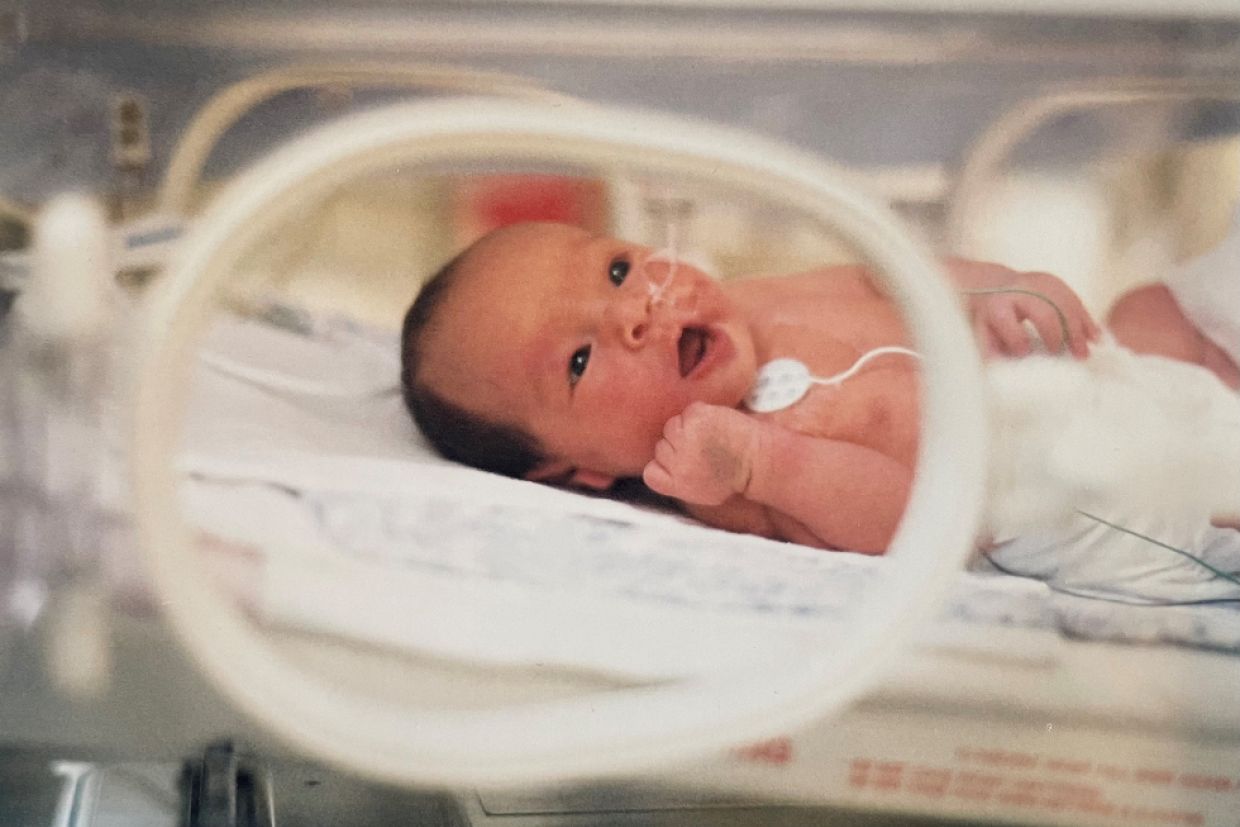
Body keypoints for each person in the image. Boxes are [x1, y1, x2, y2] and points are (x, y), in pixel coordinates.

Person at [400, 221, 1236, 555]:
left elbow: (904, 281)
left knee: (1161, 310)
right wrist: (774, 467)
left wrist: (1010, 286)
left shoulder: (770, 296)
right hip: (1099, 480)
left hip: (1113, 371)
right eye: (580, 360)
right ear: (573, 470)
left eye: (619, 269)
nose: (638, 312)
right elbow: (920, 520)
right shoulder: (723, 468)